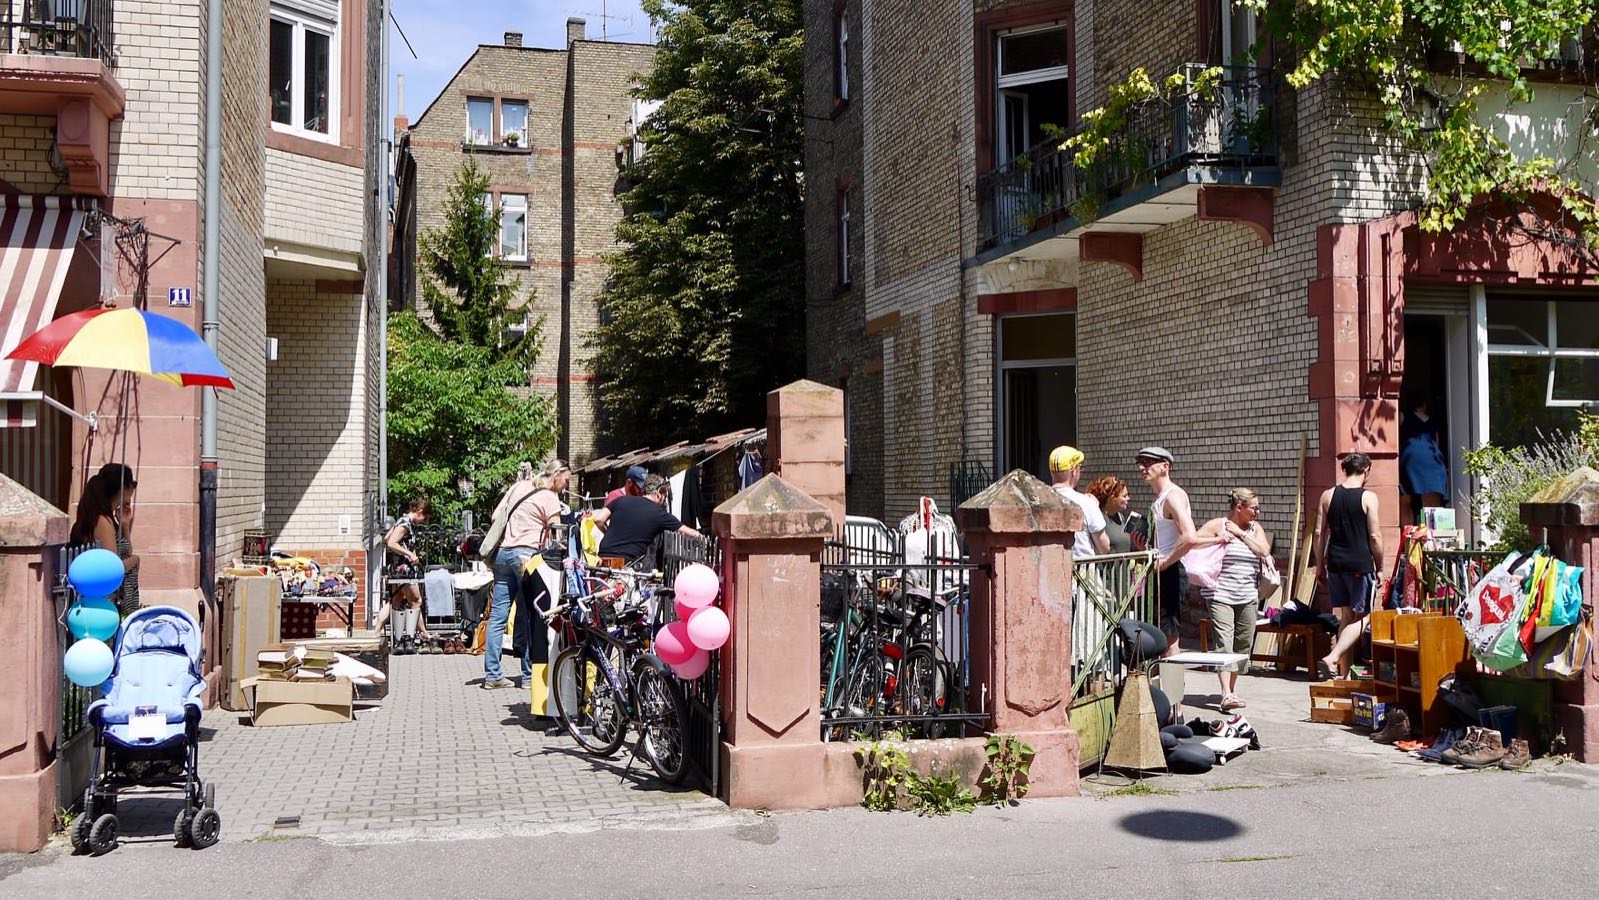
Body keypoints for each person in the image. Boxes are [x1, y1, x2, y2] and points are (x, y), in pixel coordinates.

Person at [483, 464, 564, 690]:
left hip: (503, 554)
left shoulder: (519, 486)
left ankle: (492, 675)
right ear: (555, 476)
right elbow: (558, 534)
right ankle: (529, 677)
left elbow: (495, 516)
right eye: (565, 481)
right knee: (530, 615)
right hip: (526, 557)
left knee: (498, 616)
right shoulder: (549, 496)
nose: (565, 487)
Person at [1136, 446, 1222, 653]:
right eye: (1141, 463)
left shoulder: (1173, 496)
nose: (1142, 467)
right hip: (1160, 572)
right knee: (1157, 631)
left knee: (1168, 634)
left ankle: (1171, 685)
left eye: (1149, 463)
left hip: (1170, 573)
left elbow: (1189, 537)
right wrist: (1145, 546)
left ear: (1165, 466)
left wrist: (1165, 562)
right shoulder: (1159, 498)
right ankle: (1160, 682)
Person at [1196, 489, 1272, 711]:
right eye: (1254, 507)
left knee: (1242, 644)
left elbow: (1264, 551)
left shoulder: (1254, 528)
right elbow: (1194, 541)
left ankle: (1231, 688)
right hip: (1220, 594)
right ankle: (1226, 693)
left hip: (1248, 595)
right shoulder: (1218, 524)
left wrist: (1240, 533)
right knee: (1224, 641)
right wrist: (1220, 538)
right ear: (1239, 507)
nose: (1258, 511)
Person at [1316, 452, 1384, 679]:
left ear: (1344, 470)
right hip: (1360, 564)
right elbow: (1374, 536)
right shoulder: (1369, 498)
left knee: (1345, 616)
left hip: (1335, 563)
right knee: (1366, 616)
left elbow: (1319, 533)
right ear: (1366, 471)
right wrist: (1380, 566)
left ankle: (1343, 675)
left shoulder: (1327, 495)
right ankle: (1332, 657)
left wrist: (1318, 565)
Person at [70, 464, 141, 615]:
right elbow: (114, 567)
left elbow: (125, 552)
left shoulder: (105, 518)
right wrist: (135, 560)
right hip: (104, 602)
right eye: (132, 485)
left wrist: (125, 526)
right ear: (123, 488)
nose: (133, 491)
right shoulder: (102, 521)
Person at [592, 473, 702, 569]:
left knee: (601, 591)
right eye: (665, 496)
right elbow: (684, 531)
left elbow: (598, 519)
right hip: (626, 563)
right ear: (660, 492)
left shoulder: (620, 500)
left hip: (603, 557)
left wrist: (607, 533)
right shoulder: (659, 513)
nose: (664, 501)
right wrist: (701, 538)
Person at [375, 498, 431, 641]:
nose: (424, 521)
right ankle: (420, 633)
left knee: (395, 600)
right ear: (419, 512)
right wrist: (409, 554)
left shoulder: (402, 521)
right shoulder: (405, 524)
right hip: (404, 569)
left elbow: (387, 538)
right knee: (416, 600)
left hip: (398, 568)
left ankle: (376, 632)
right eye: (424, 517)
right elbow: (392, 543)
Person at [1048, 446, 1109, 557]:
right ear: (1074, 471)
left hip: (1051, 571)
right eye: (1080, 467)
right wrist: (1095, 509)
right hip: (1082, 572)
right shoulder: (1087, 503)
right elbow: (1104, 547)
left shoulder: (1042, 502)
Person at [1399, 398, 1447, 524]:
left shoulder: (1403, 416)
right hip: (1432, 458)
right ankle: (1432, 539)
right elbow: (1436, 442)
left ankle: (1408, 535)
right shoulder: (1432, 421)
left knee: (1405, 501)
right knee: (1432, 504)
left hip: (1410, 458)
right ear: (1424, 405)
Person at [1085, 475, 1133, 554]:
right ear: (1112, 498)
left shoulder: (1121, 517)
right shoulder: (1098, 517)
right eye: (1124, 496)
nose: (1128, 498)